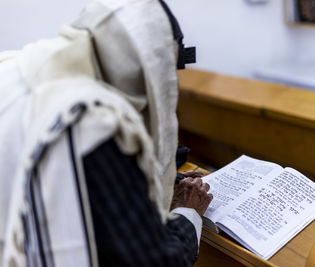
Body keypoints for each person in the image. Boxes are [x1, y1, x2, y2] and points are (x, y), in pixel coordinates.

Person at [0, 0, 212, 266]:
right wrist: (187, 211)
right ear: (150, 66)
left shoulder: (15, 68)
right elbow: (154, 261)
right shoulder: (93, 122)